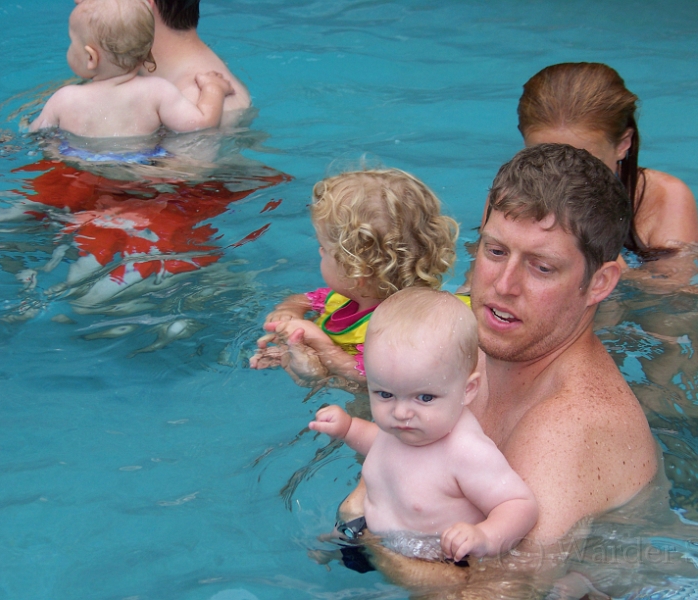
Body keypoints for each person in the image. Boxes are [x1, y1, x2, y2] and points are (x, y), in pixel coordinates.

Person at [324, 144, 660, 591]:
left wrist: (366, 539)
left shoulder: (567, 428)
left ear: (599, 283)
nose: (504, 285)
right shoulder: (471, 343)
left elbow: (498, 591)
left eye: (542, 267)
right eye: (496, 251)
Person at [309, 287, 538, 563]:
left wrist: (485, 536)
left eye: (425, 397)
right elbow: (379, 443)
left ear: (467, 390)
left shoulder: (466, 451)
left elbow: (519, 505)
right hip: (372, 532)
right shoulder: (407, 425)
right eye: (384, 394)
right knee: (327, 548)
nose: (401, 412)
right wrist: (347, 428)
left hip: (431, 560)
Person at [249, 169, 459, 387]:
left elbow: (377, 378)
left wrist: (322, 347)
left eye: (324, 249)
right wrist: (289, 313)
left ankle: (313, 370)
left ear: (356, 271)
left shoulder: (400, 327)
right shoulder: (342, 297)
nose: (319, 252)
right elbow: (302, 300)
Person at [518, 62, 698, 263]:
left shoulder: (662, 197)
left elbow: (682, 282)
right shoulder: (511, 196)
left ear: (623, 144)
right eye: (545, 159)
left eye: (585, 164)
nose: (563, 178)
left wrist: (606, 265)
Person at [30, 0, 232, 139]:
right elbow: (201, 124)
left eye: (72, 43)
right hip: (137, 169)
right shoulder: (158, 92)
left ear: (91, 58)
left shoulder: (64, 98)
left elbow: (35, 135)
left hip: (77, 168)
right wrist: (214, 88)